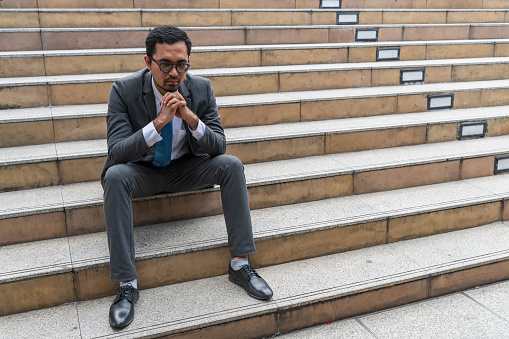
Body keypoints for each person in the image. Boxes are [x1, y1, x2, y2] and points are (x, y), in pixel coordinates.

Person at [101, 24, 273, 329]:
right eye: (165, 64)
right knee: (115, 176)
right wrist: (159, 122)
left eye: (181, 64)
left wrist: (190, 119)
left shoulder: (200, 88)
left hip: (185, 170)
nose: (173, 73)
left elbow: (219, 144)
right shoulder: (124, 90)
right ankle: (127, 284)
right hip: (142, 171)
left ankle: (241, 264)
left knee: (231, 164)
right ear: (148, 62)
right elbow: (116, 152)